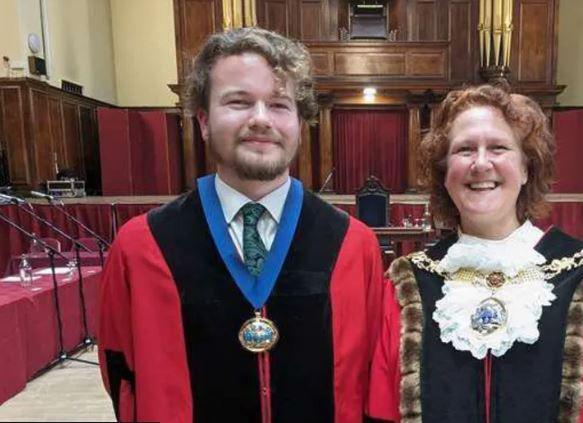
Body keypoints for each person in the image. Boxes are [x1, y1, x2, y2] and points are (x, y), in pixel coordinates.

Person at [97, 27, 384, 423]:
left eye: (280, 105)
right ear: (203, 120)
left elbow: (374, 385)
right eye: (238, 102)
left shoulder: (354, 246)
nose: (261, 119)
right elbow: (123, 379)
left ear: (300, 123)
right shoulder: (141, 247)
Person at [367, 85, 583, 422]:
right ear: (445, 174)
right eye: (464, 150)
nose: (481, 163)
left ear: (527, 168)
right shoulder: (408, 285)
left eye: (498, 147)